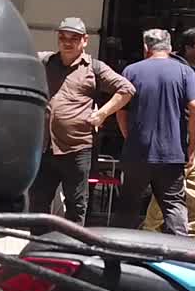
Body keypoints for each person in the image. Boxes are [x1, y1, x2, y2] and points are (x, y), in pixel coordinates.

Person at [29, 16, 135, 227]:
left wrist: (103, 113)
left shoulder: (94, 68)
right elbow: (20, 60)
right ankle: (39, 247)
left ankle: (72, 247)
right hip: (45, 147)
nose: (67, 42)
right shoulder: (45, 61)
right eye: (63, 37)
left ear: (85, 40)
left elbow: (127, 89)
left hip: (77, 148)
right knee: (38, 202)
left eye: (74, 38)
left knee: (76, 203)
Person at [112, 28, 195, 236]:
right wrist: (192, 146)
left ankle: (115, 254)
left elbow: (120, 109)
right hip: (171, 153)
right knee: (173, 205)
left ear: (146, 47)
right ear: (170, 48)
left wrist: (129, 137)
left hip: (138, 152)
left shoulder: (131, 71)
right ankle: (178, 256)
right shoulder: (184, 71)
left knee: (128, 206)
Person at [145, 27, 195, 235]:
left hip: (193, 147)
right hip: (175, 147)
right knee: (162, 203)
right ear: (187, 48)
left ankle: (187, 243)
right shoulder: (174, 69)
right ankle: (147, 237)